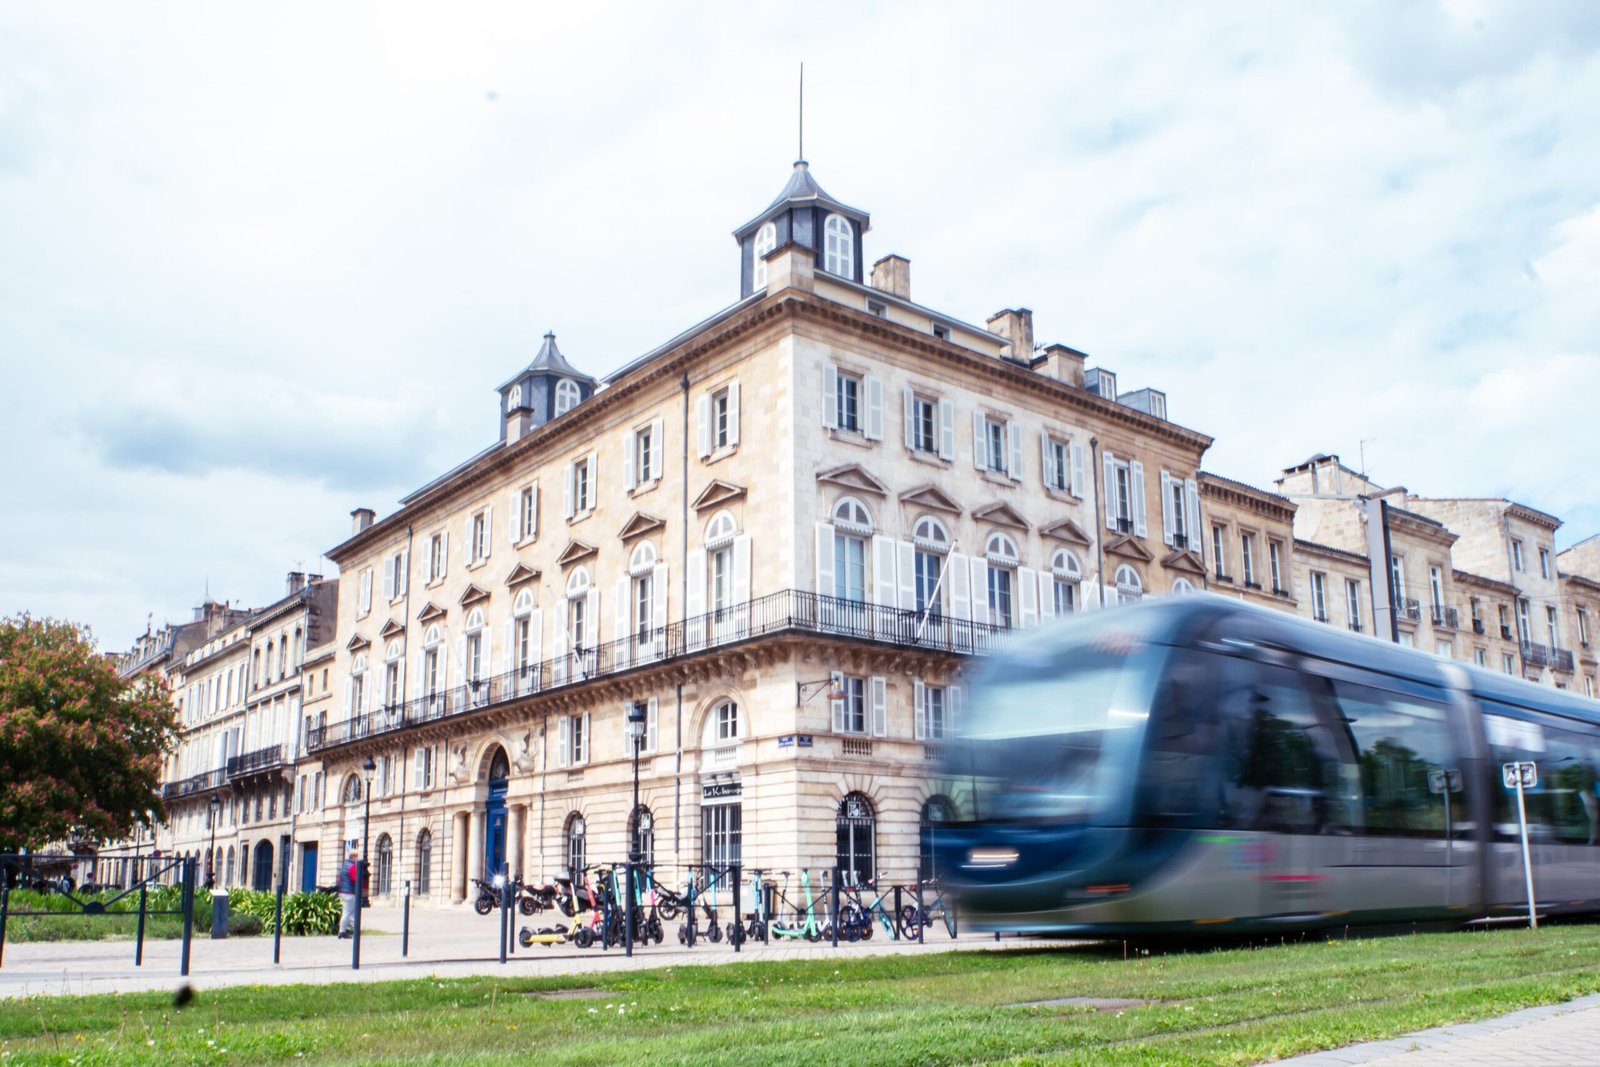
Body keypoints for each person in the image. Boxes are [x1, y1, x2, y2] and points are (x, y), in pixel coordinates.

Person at [337, 850, 360, 938]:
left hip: (343, 891)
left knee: (346, 912)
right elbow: (355, 879)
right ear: (353, 856)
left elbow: (340, 879)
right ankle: (344, 931)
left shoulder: (344, 866)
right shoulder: (352, 866)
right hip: (350, 892)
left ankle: (343, 931)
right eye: (357, 856)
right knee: (348, 912)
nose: (358, 858)